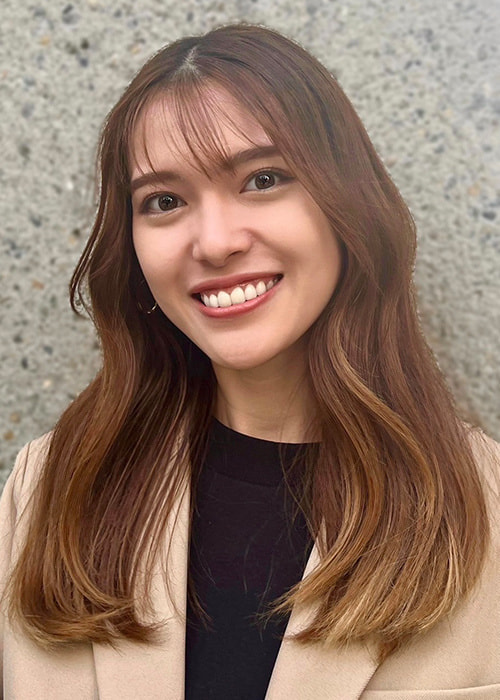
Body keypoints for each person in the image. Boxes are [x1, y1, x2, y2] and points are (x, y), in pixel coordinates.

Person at [0, 22, 499, 700]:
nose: (215, 242)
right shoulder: (48, 492)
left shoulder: (487, 507)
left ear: (348, 205)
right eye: (165, 201)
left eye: (263, 179)